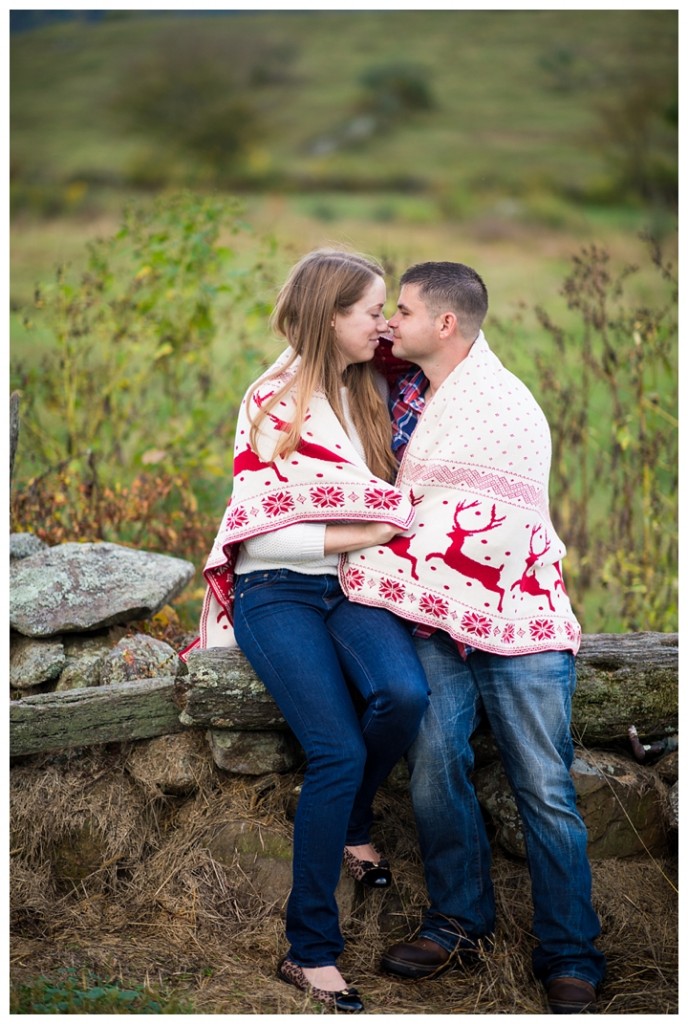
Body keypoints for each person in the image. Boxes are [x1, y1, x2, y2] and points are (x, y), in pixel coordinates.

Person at [340, 261, 607, 1014]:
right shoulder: (408, 389)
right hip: (431, 614)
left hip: (518, 617)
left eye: (406, 309)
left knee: (545, 788)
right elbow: (331, 346)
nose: (391, 321)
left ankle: (571, 954)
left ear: (447, 324)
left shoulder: (503, 404)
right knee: (433, 767)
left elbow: (500, 521)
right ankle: (458, 921)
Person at [186, 249, 430, 1014]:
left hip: (353, 591)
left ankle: (357, 823)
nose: (384, 323)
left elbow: (452, 366)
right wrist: (375, 530)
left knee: (402, 694)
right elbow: (262, 537)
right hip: (277, 593)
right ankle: (310, 950)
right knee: (337, 748)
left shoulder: (369, 392)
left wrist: (375, 533)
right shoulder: (273, 400)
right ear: (331, 316)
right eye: (371, 311)